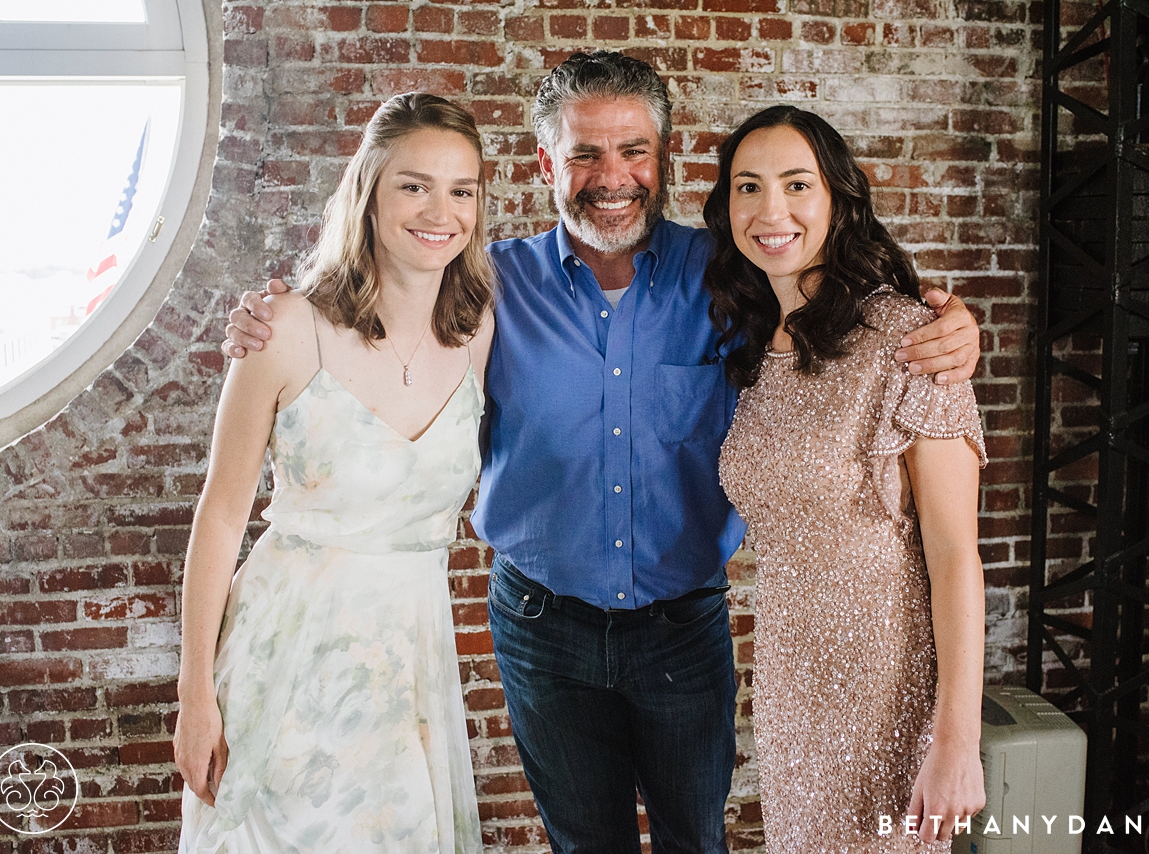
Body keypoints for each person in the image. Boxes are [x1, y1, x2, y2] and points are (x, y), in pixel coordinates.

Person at [221, 52, 982, 853]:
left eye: (633, 152)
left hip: (684, 631)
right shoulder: (481, 287)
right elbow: (370, 307)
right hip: (542, 628)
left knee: (698, 841)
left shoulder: (733, 277)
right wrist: (273, 314)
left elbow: (837, 300)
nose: (610, 176)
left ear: (664, 161)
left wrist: (950, 324)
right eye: (584, 152)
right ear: (547, 162)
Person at [173, 93, 493, 854]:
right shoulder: (284, 327)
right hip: (284, 653)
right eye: (413, 185)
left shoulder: (481, 326)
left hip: (407, 665)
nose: (438, 211)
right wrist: (193, 693)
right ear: (370, 193)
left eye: (461, 190)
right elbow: (220, 518)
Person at [710, 105, 987, 852]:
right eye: (748, 187)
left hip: (882, 681)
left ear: (839, 198)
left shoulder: (910, 337)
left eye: (797, 184)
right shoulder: (754, 344)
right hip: (790, 677)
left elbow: (957, 554)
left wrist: (957, 741)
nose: (771, 210)